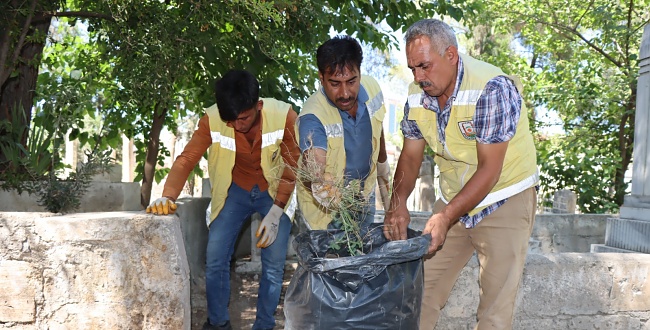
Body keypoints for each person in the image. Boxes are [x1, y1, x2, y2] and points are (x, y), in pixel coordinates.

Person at [383, 19, 539, 330]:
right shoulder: (416, 96)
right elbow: (411, 157)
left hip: (503, 197)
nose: (418, 77)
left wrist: (444, 217)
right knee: (418, 291)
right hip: (454, 197)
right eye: (412, 68)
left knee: (495, 310)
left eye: (424, 66)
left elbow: (490, 171)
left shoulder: (492, 88)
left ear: (451, 55)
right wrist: (397, 201)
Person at [145, 69, 300, 330]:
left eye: (243, 118)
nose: (237, 125)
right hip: (233, 192)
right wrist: (166, 196)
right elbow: (186, 159)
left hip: (274, 194)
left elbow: (294, 163)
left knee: (273, 266)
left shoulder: (284, 116)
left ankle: (264, 325)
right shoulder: (213, 119)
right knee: (215, 258)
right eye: (230, 121)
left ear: (258, 105)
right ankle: (218, 324)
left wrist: (276, 212)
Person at [296, 35, 390, 230]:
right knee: (332, 257)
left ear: (360, 74)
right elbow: (315, 165)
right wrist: (322, 187)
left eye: (351, 81)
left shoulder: (372, 89)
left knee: (362, 254)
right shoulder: (312, 116)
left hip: (364, 196)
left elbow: (377, 128)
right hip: (327, 212)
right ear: (321, 78)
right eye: (335, 84)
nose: (345, 93)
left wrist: (383, 166)